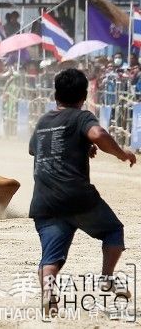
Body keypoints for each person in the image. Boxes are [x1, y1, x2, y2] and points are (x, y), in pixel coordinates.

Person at [29, 68, 136, 315]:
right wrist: (122, 154)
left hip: (44, 201)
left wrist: (78, 146)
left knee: (51, 256)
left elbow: (36, 150)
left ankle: (48, 292)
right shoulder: (80, 117)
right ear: (83, 97)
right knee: (113, 230)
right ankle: (107, 279)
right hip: (76, 196)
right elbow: (97, 134)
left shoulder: (43, 122)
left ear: (56, 95)